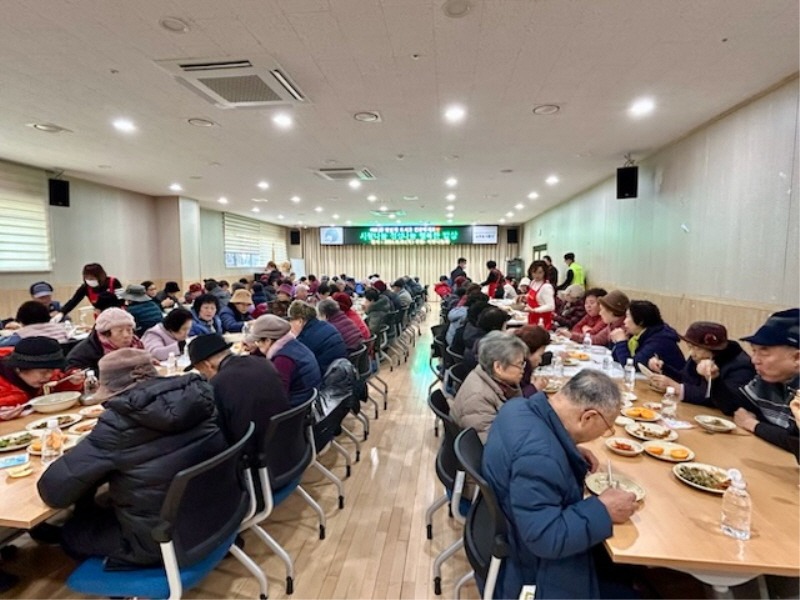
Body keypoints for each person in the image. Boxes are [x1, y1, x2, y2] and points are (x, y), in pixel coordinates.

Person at [37, 348, 228, 568]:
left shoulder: (118, 425)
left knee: (72, 533)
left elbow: (53, 492)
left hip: (161, 540)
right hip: (219, 512)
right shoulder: (199, 395)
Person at [482, 370, 637, 599]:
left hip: (509, 529)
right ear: (587, 417)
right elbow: (545, 538)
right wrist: (603, 509)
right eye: (607, 428)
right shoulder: (541, 458)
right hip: (531, 565)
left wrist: (568, 449)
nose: (605, 433)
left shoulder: (517, 407)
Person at [186, 334, 290, 466]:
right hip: (289, 445)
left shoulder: (218, 384)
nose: (204, 376)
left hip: (255, 460)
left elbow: (220, 433)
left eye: (201, 371)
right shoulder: (263, 363)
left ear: (207, 365)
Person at [729, 308, 799, 458]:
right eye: (754, 351)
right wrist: (713, 378)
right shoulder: (767, 379)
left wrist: (753, 425)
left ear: (797, 358)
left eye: (764, 352)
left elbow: (795, 442)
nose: (754, 360)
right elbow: (735, 405)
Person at [647, 322, 754, 413]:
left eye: (696, 348)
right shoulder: (698, 357)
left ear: (714, 349)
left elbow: (728, 403)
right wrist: (663, 368)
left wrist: (677, 388)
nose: (692, 353)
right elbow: (685, 379)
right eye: (690, 347)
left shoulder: (740, 366)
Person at [450, 331, 528, 441]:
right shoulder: (478, 398)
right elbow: (490, 443)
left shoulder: (495, 379)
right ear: (498, 367)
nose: (522, 369)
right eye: (520, 364)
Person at [245, 315, 321, 406]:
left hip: (295, 410)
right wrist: (255, 351)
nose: (256, 344)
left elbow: (276, 397)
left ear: (268, 341)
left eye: (257, 341)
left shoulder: (283, 360)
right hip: (305, 399)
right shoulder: (292, 345)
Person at [0, 337, 83, 414]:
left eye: (52, 370)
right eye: (43, 372)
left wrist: (71, 382)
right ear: (18, 368)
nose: (49, 376)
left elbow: (58, 388)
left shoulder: (48, 371)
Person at [610, 300, 685, 371]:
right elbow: (617, 358)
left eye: (628, 317)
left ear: (640, 321)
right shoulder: (640, 334)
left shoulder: (660, 340)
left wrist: (621, 342)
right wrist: (619, 341)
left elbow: (632, 365)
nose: (624, 321)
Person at [66, 307, 144, 374]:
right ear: (105, 334)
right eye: (120, 331)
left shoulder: (137, 345)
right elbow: (72, 373)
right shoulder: (84, 352)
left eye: (129, 330)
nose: (126, 335)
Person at [287, 300, 347, 375]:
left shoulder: (305, 339)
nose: (289, 325)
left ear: (300, 321)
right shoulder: (325, 325)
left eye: (291, 320)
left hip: (327, 376)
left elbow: (296, 364)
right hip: (341, 370)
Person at [56, 263, 122, 321]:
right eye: (87, 278)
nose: (89, 280)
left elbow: (122, 300)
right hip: (100, 318)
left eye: (92, 278)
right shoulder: (85, 287)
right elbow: (73, 301)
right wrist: (62, 313)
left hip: (118, 315)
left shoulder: (114, 282)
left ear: (100, 276)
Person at [462, 306, 512, 371]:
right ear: (496, 327)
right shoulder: (490, 346)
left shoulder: (472, 332)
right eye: (504, 325)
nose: (505, 327)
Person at [0, 301, 70, 347]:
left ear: (21, 320)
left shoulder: (23, 334)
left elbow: (2, 343)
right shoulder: (60, 328)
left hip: (36, 366)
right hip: (59, 365)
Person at [514, 325, 551, 397]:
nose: (540, 361)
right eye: (540, 355)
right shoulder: (516, 370)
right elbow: (515, 400)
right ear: (528, 353)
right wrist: (534, 388)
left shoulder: (525, 368)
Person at [523, 259, 555, 327]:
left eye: (540, 272)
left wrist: (534, 310)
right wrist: (525, 297)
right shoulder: (533, 282)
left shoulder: (546, 287)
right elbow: (532, 296)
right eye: (534, 272)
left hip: (542, 320)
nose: (537, 275)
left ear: (544, 273)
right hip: (532, 316)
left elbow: (551, 306)